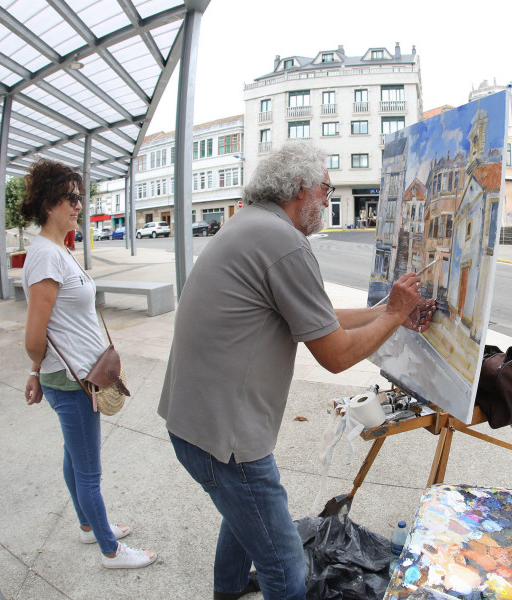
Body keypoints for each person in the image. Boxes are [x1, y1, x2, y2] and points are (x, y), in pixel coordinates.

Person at [159, 141, 435, 600]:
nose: (327, 201)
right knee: (283, 562)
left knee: (243, 516)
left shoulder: (252, 224)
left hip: (196, 423)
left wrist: (388, 310)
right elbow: (335, 354)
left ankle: (226, 591)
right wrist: (392, 316)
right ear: (301, 187)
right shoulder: (283, 242)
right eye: (326, 189)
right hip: (224, 439)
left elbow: (320, 318)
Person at [19, 159, 156, 570]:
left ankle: (85, 525)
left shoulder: (58, 250)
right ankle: (110, 550)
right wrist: (34, 369)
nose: (80, 204)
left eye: (81, 197)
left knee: (73, 457)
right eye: (72, 197)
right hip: (72, 378)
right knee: (89, 471)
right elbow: (33, 334)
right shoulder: (45, 256)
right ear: (49, 203)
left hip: (76, 373)